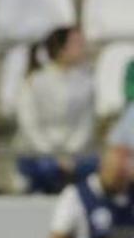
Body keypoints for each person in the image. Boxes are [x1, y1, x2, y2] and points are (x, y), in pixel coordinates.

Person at [16, 26, 96, 194]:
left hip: (75, 154)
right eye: (77, 43)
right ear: (61, 49)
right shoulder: (34, 81)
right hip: (38, 153)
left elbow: (86, 123)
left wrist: (70, 154)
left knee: (94, 165)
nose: (83, 47)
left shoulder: (87, 82)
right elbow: (30, 125)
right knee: (46, 168)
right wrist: (53, 156)